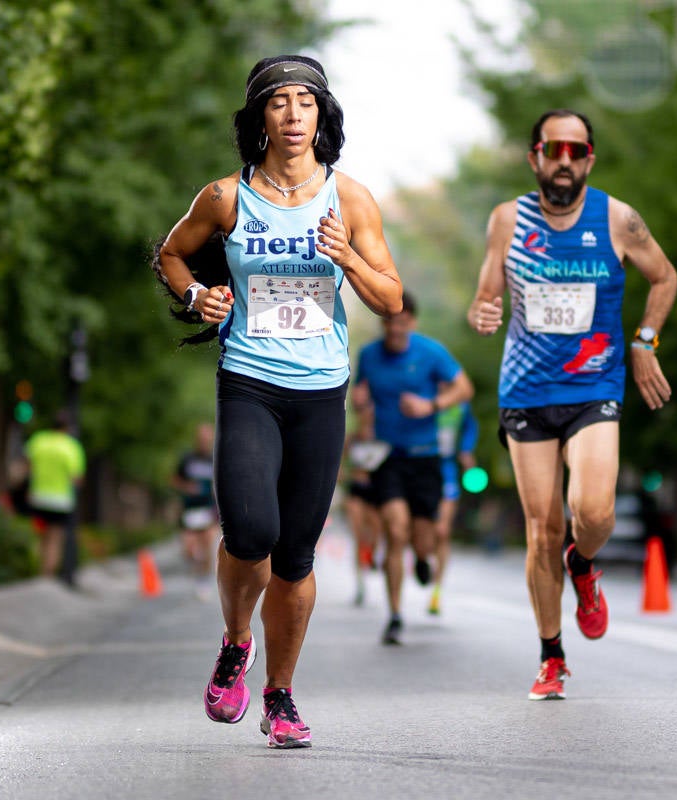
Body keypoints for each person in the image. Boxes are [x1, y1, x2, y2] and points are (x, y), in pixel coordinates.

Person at [155, 55, 403, 749]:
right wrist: (198, 296)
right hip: (250, 381)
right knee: (251, 533)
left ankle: (281, 694)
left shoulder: (349, 200)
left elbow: (390, 298)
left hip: (322, 391)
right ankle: (237, 642)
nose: (293, 116)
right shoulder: (225, 197)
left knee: (295, 555)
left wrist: (348, 258)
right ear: (259, 118)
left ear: (322, 115)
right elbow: (172, 254)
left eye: (306, 102)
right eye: (279, 103)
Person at [467, 109, 677, 700]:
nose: (564, 161)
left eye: (575, 151)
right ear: (535, 156)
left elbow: (665, 278)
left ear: (589, 158)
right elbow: (486, 298)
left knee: (595, 513)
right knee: (541, 530)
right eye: (552, 150)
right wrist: (482, 313)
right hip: (527, 391)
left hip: (594, 385)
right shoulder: (508, 220)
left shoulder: (618, 219)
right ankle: (551, 655)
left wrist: (644, 343)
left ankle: (582, 563)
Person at [354, 292, 473, 645]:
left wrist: (431, 404)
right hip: (387, 456)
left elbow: (464, 389)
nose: (396, 326)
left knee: (425, 538)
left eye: (403, 320)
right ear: (383, 322)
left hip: (425, 456)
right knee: (395, 528)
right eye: (390, 319)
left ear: (412, 322)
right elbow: (361, 397)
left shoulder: (431, 352)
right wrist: (359, 401)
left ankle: (422, 559)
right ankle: (393, 615)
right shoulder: (369, 355)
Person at [428, 399, 479, 615]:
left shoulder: (460, 404)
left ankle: (436, 592)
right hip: (421, 468)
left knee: (442, 531)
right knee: (422, 533)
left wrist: (466, 451)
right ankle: (422, 558)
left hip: (447, 470)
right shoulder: (422, 393)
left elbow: (470, 427)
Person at [24, 411, 86, 580]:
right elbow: (76, 479)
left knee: (39, 536)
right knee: (55, 539)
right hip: (60, 501)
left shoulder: (38, 440)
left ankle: (34, 569)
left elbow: (27, 467)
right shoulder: (71, 446)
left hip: (38, 497)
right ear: (66, 428)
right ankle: (46, 574)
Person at [343, 401, 388, 607]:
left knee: (374, 534)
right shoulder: (352, 440)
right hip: (356, 491)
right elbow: (339, 463)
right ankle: (360, 583)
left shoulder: (383, 438)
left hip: (376, 491)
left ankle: (371, 556)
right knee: (359, 535)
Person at [173, 422, 220, 598]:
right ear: (197, 439)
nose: (204, 441)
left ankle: (203, 579)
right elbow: (175, 479)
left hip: (208, 509)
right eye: (202, 438)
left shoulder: (215, 459)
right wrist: (186, 487)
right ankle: (196, 564)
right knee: (189, 548)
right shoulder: (188, 459)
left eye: (208, 438)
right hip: (190, 510)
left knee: (207, 545)